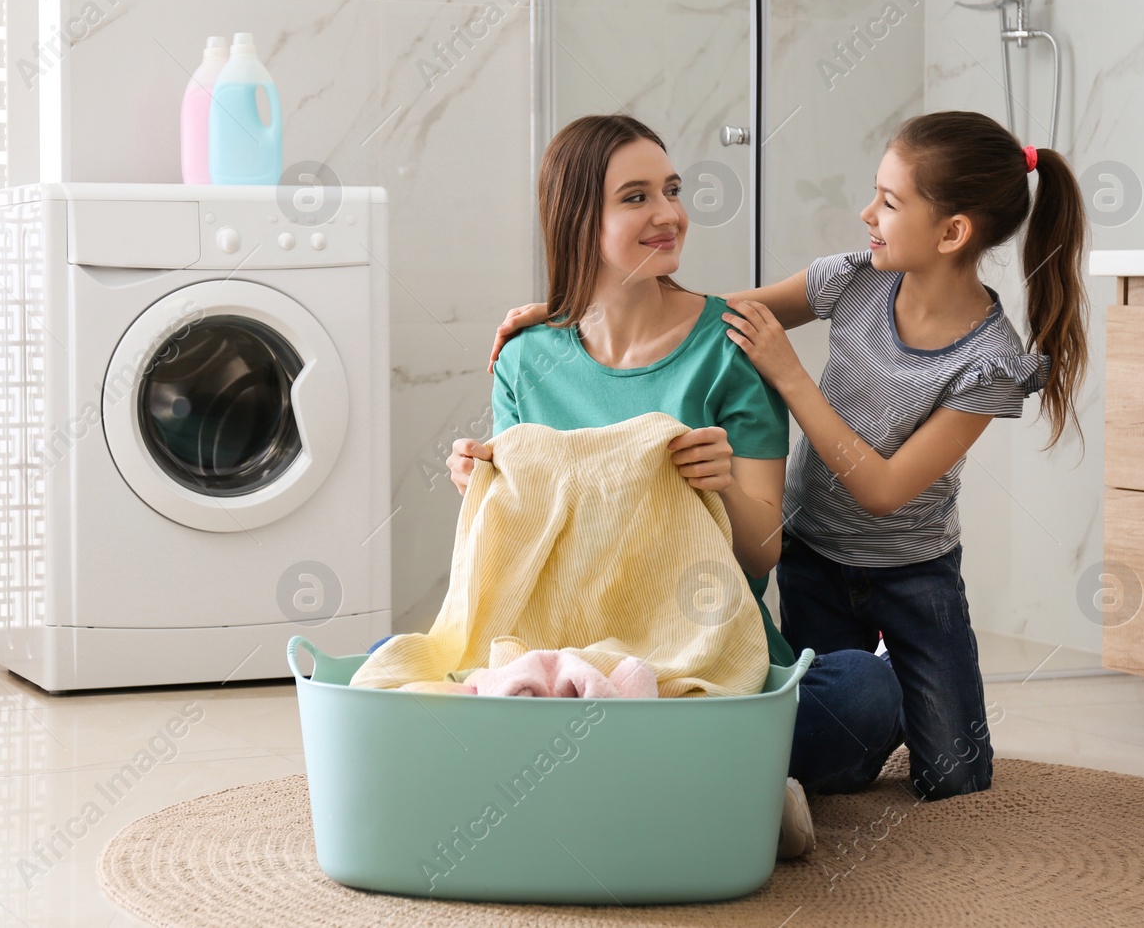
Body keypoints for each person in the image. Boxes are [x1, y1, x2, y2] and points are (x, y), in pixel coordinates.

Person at [495, 110, 1088, 802]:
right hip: (816, 555)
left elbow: (885, 489)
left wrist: (788, 376)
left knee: (953, 775)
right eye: (636, 197)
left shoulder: (989, 364)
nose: (868, 212)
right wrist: (568, 307)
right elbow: (711, 312)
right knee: (820, 720)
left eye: (890, 202)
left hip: (913, 568)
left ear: (953, 232)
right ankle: (745, 779)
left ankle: (756, 762)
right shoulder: (855, 278)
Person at [454, 113, 905, 858]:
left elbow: (761, 554)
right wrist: (477, 485)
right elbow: (512, 546)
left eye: (671, 189)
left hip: (703, 659)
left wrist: (720, 483)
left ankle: (611, 777)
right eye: (635, 197)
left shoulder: (731, 347)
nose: (668, 213)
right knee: (392, 659)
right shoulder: (525, 359)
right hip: (568, 655)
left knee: (865, 690)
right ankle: (733, 783)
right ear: (577, 219)